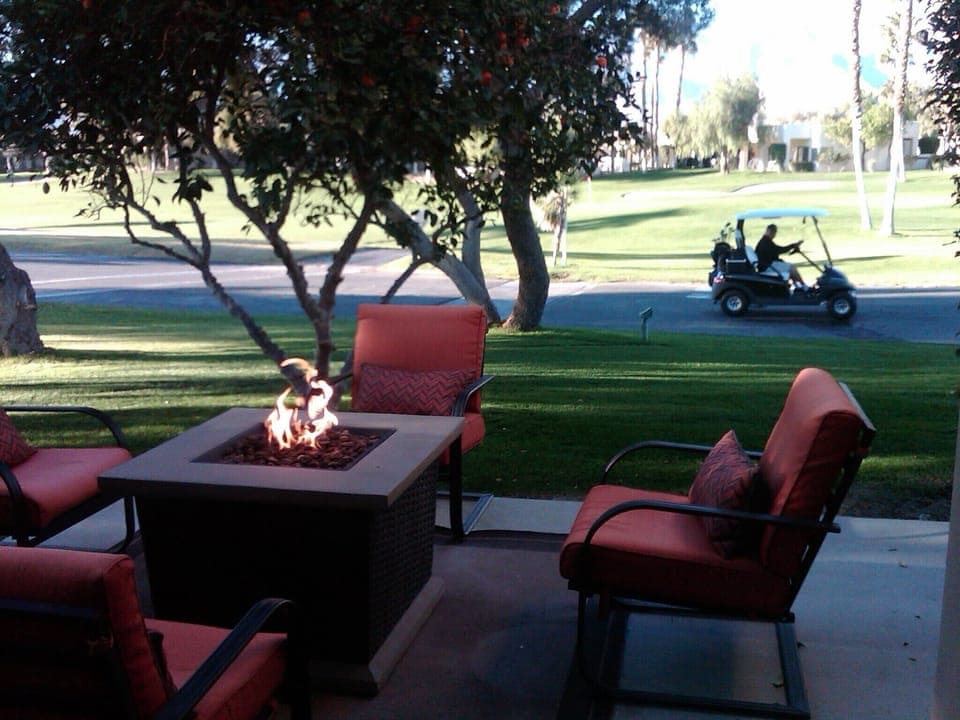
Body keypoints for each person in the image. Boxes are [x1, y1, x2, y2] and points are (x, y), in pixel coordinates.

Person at [754, 223, 808, 290]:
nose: (773, 234)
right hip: (767, 266)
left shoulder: (766, 241)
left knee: (788, 267)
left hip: (769, 264)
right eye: (772, 232)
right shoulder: (765, 243)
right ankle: (805, 287)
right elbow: (780, 250)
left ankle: (798, 288)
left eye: (774, 232)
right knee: (792, 268)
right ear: (768, 231)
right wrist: (793, 245)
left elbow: (777, 250)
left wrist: (793, 246)